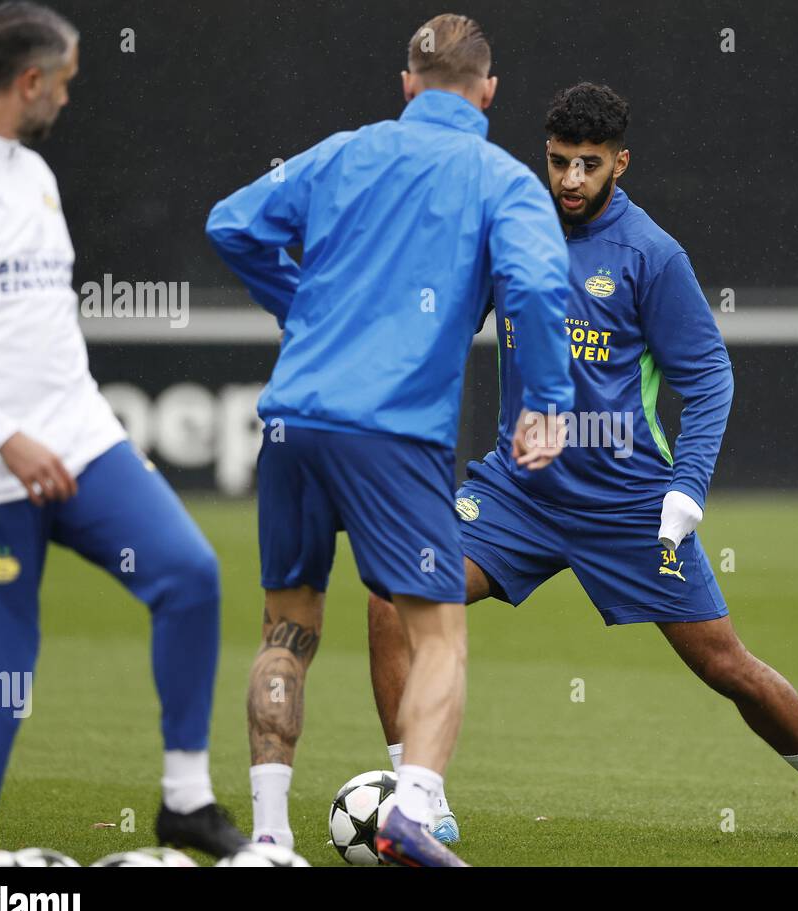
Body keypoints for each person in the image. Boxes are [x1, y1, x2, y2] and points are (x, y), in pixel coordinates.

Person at [367, 83, 798, 847]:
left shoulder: (651, 255)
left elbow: (710, 376)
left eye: (589, 164)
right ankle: (415, 797)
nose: (571, 180)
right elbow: (446, 328)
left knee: (726, 666)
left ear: (620, 163)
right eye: (559, 162)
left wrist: (686, 489)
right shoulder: (511, 231)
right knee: (395, 593)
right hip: (517, 493)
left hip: (627, 504)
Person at [206, 13, 573, 866]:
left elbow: (232, 223)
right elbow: (534, 282)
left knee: (286, 628)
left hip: (295, 418)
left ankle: (267, 837)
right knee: (438, 634)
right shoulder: (502, 179)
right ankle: (410, 808)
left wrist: (299, 307)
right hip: (395, 432)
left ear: (407, 85)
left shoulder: (345, 152)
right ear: (488, 91)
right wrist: (546, 401)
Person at [0, 1, 245, 865]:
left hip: (78, 441)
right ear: (29, 80)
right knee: (1, 666)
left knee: (188, 572)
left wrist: (101, 432)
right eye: (64, 83)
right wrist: (5, 436)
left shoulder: (32, 172)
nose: (68, 100)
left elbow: (46, 333)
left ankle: (185, 799)